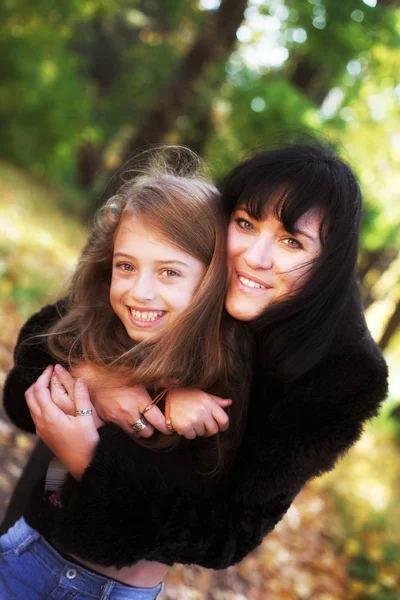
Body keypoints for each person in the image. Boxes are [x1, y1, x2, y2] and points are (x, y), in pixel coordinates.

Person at [2, 141, 388, 589]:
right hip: (35, 528)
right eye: (245, 223)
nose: (255, 258)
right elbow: (48, 344)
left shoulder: (340, 372)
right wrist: (104, 384)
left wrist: (90, 458)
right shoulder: (190, 253)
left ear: (327, 261)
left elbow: (225, 534)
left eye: (290, 241)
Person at [0, 151, 251, 599]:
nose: (141, 291)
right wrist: (103, 381)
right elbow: (27, 380)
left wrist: (160, 410)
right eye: (126, 266)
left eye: (170, 272)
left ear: (211, 281)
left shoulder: (218, 381)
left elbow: (182, 511)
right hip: (26, 555)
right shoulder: (98, 329)